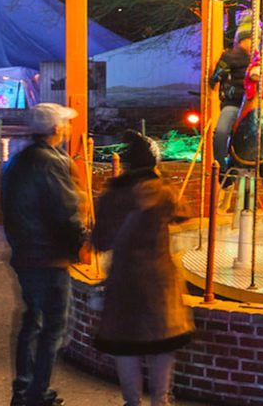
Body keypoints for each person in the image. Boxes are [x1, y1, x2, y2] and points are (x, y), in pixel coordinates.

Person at [93, 132, 194, 406]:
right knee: (162, 345)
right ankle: (161, 400)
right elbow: (184, 213)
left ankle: (132, 401)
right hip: (160, 281)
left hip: (124, 280)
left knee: (126, 347)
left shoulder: (111, 195)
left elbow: (100, 241)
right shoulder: (163, 192)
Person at [1, 102, 86, 406]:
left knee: (32, 322)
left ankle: (24, 390)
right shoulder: (51, 162)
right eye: (65, 124)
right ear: (55, 128)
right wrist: (81, 243)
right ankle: (38, 392)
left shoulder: (18, 160)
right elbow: (65, 211)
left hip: (25, 254)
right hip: (48, 257)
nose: (68, 128)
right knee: (53, 327)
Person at [208, 19, 263, 169]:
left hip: (260, 103)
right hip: (236, 103)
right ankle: (221, 167)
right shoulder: (229, 57)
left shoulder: (262, 59)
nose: (250, 43)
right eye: (246, 40)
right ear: (240, 41)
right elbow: (216, 77)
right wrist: (217, 75)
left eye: (254, 40)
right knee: (221, 131)